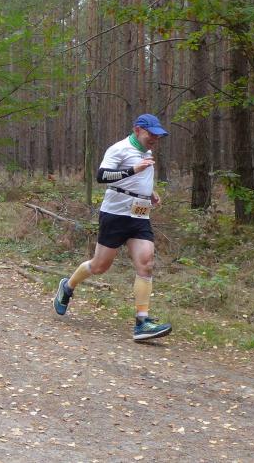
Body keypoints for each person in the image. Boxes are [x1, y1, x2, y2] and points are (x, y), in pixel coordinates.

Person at [54, 113, 172, 342]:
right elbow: (102, 176)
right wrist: (133, 170)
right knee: (99, 266)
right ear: (137, 130)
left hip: (140, 215)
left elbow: (137, 180)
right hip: (115, 215)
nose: (154, 139)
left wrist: (150, 192)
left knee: (146, 263)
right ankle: (67, 286)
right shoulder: (119, 149)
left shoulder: (147, 152)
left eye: (158, 136)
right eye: (151, 134)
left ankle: (142, 322)